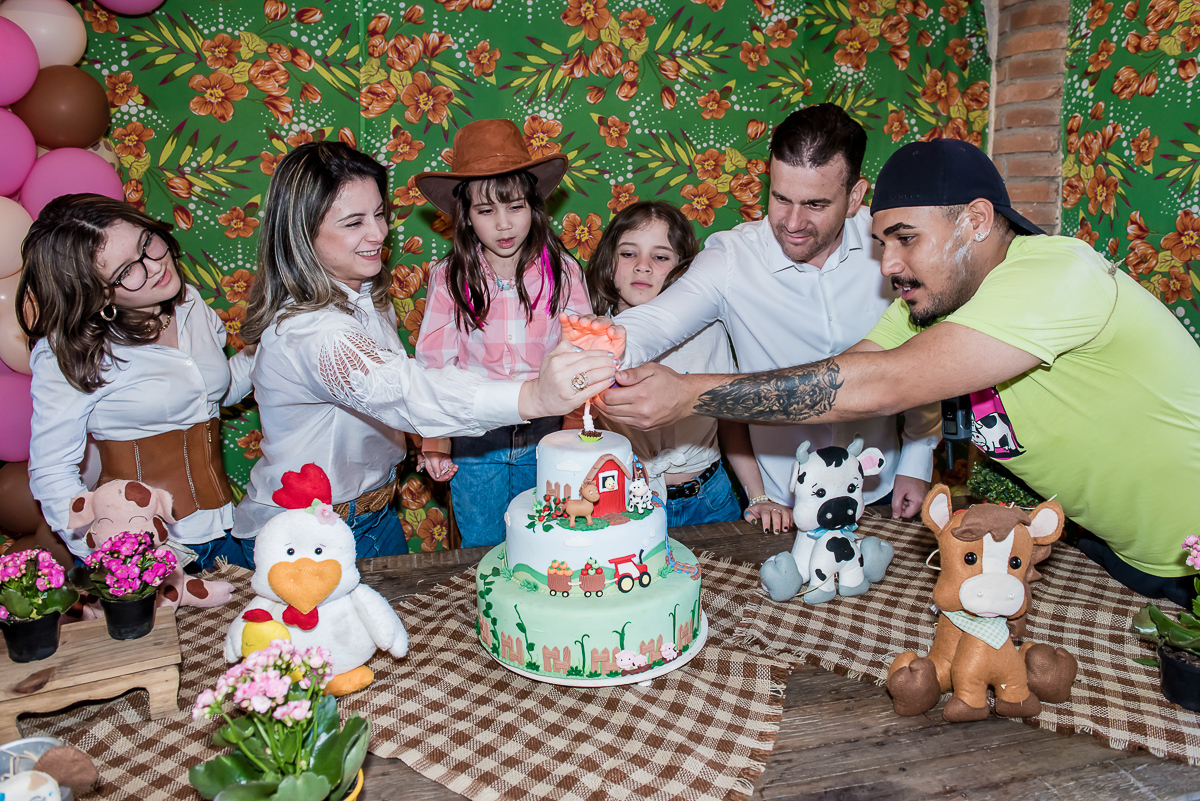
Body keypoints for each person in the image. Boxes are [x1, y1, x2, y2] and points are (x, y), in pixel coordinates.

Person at [600, 139, 1200, 605]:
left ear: (976, 220)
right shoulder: (927, 302)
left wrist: (690, 397)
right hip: (1120, 554)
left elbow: (881, 386)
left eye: (906, 239)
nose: (889, 264)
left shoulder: (1056, 276)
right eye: (883, 242)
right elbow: (848, 374)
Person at [235, 141, 613, 559]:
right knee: (482, 554)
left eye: (379, 214)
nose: (379, 234)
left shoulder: (366, 297)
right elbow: (412, 390)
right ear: (301, 233)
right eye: (354, 222)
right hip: (308, 537)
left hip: (375, 516)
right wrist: (531, 398)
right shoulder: (314, 333)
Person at [596, 104, 941, 522]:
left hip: (877, 487)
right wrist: (594, 344)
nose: (792, 222)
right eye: (780, 198)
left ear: (854, 197)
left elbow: (924, 352)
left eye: (815, 204)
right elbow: (659, 320)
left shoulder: (892, 247)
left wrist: (917, 459)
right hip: (782, 501)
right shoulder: (731, 258)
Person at [21, 193, 255, 569]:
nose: (155, 264)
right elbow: (52, 472)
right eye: (126, 271)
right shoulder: (72, 351)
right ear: (96, 294)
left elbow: (214, 394)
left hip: (225, 532)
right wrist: (114, 560)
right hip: (145, 552)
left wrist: (275, 343)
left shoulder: (189, 303)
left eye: (147, 242)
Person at [413, 118, 592, 548]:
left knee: (549, 545)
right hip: (476, 445)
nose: (504, 224)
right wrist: (436, 441)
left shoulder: (563, 271)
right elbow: (435, 364)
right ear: (466, 216)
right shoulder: (448, 276)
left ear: (533, 205)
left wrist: (573, 431)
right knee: (484, 549)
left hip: (546, 439)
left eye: (514, 206)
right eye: (486, 210)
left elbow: (581, 353)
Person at [585, 200, 782, 531]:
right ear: (609, 261)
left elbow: (730, 422)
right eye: (629, 253)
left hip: (710, 497)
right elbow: (580, 426)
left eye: (660, 257)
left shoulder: (709, 332)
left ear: (683, 268)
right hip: (630, 502)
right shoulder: (593, 336)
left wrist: (758, 496)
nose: (643, 266)